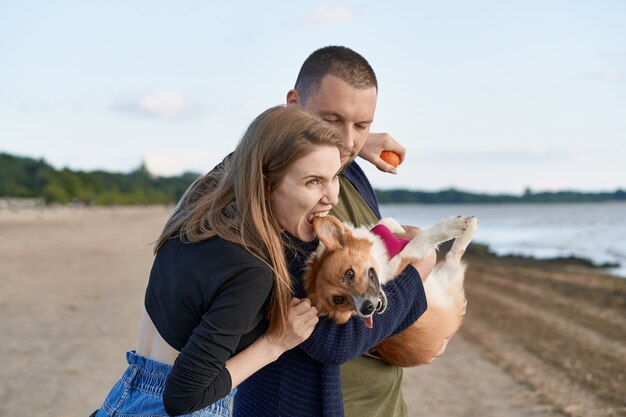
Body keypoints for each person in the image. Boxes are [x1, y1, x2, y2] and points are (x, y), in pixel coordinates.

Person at [91, 105, 346, 417]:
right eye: (313, 182)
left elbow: (254, 149)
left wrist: (357, 139)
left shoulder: (196, 209)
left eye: (335, 176)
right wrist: (276, 343)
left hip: (123, 397)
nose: (332, 196)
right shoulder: (252, 270)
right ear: (266, 183)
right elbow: (182, 396)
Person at [232, 47, 436, 416]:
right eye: (331, 119)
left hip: (387, 405)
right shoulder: (275, 198)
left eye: (362, 125)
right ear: (293, 105)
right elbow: (331, 342)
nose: (347, 141)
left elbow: (375, 287)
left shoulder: (349, 171)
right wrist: (419, 272)